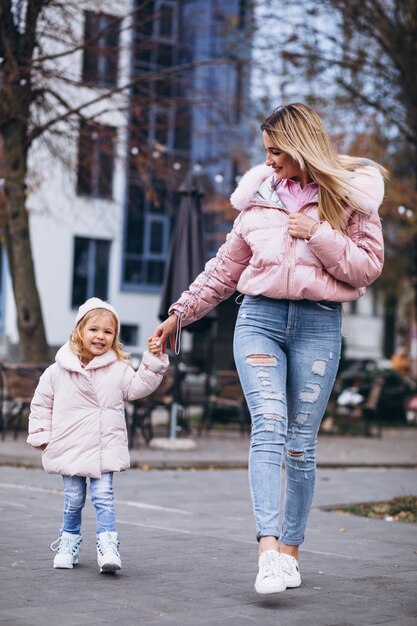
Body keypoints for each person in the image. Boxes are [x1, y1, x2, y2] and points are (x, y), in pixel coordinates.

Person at [154, 103, 386, 594]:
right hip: (257, 319)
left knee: (300, 444)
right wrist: (179, 314)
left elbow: (366, 268)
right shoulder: (259, 199)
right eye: (267, 151)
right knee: (270, 425)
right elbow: (223, 270)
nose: (270, 160)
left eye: (277, 151)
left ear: (301, 148)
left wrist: (319, 234)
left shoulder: (350, 199)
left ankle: (291, 553)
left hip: (319, 326)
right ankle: (268, 553)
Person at [27, 297, 168, 573]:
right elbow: (42, 402)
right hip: (69, 445)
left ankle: (108, 546)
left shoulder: (118, 369)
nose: (100, 336)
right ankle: (68, 542)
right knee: (73, 498)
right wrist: (41, 433)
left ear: (115, 337)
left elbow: (139, 387)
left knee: (103, 496)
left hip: (103, 446)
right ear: (79, 330)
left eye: (108, 331)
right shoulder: (57, 371)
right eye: (94, 329)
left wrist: (153, 360)